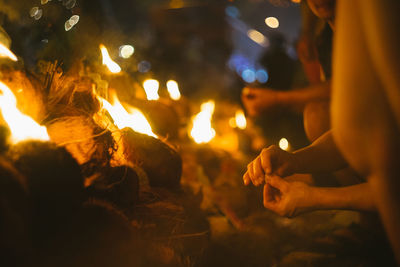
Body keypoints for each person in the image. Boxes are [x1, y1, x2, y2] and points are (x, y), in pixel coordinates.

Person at [244, 0, 400, 263]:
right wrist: (294, 160)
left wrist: (317, 198)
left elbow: (386, 169)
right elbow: (350, 135)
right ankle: (375, 229)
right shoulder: (333, 36)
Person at [242, 0, 335, 142]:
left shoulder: (354, 30)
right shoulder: (320, 39)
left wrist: (278, 99)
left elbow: (344, 87)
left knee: (316, 117)